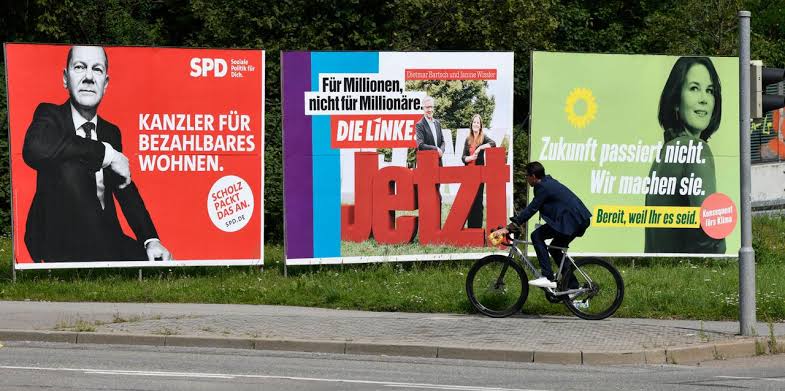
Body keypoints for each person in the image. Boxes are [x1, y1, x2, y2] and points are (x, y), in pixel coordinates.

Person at [22, 45, 172, 262]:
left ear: (106, 84)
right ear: (66, 78)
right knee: (70, 163)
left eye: (97, 70)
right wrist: (106, 154)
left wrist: (150, 239)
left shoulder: (111, 132)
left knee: (158, 264)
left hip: (104, 239)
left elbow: (125, 188)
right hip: (58, 240)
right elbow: (35, 149)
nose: (89, 77)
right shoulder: (49, 115)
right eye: (80, 67)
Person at [645, 57, 725, 254]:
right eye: (694, 88)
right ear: (676, 101)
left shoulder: (665, 154)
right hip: (694, 273)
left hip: (661, 271)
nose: (704, 99)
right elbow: (708, 228)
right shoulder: (696, 149)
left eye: (710, 90)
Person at [492, 162, 591, 288]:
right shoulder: (547, 182)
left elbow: (531, 209)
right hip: (578, 219)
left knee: (536, 236)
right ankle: (573, 287)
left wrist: (508, 228)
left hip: (572, 220)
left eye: (526, 176)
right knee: (555, 249)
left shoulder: (543, 187)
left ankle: (547, 277)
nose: (526, 179)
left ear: (533, 176)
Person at [461, 114, 495, 229]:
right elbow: (463, 157)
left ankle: (477, 228)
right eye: (474, 122)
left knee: (478, 200)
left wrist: (480, 148)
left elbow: (493, 144)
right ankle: (470, 227)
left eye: (478, 123)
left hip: (479, 174)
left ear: (480, 126)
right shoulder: (468, 139)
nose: (476, 124)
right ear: (471, 125)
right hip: (468, 174)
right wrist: (469, 158)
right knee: (469, 200)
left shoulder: (483, 137)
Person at [415, 96, 446, 165]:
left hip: (439, 162)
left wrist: (441, 151)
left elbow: (443, 141)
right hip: (427, 163)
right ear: (423, 108)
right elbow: (420, 145)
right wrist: (436, 149)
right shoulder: (419, 125)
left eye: (431, 107)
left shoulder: (437, 123)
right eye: (427, 107)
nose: (430, 109)